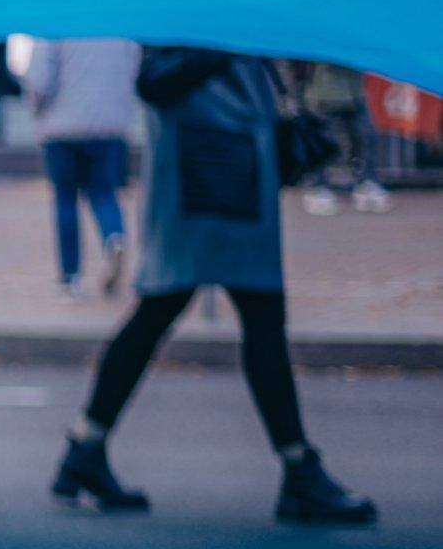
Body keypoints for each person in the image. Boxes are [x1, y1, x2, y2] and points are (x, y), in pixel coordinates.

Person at [53, 48, 376, 524]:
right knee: (241, 314)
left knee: (179, 311)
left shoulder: (218, 1)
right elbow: (154, 81)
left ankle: (86, 448)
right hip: (208, 172)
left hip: (230, 168)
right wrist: (227, 43)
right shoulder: (198, 6)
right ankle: (298, 469)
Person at [23, 37, 138, 297]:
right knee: (104, 193)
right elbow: (134, 70)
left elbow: (39, 79)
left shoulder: (57, 19)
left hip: (62, 128)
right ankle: (114, 236)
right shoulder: (120, 24)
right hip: (110, 126)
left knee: (65, 201)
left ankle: (71, 277)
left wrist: (35, 107)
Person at [295, 62, 392, 216]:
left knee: (366, 135)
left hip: (355, 92)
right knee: (322, 141)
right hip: (325, 92)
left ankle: (366, 182)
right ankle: (317, 186)